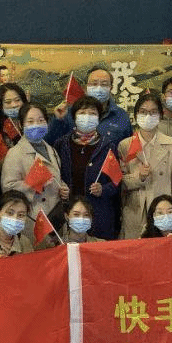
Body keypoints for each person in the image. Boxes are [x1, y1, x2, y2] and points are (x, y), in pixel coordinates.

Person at [53, 96, 121, 240]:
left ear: (99, 118)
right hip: (69, 215)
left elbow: (117, 182)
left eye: (92, 113)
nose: (87, 117)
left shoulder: (108, 146)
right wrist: (60, 187)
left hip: (100, 216)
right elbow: (53, 174)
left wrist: (103, 189)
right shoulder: (62, 144)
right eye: (82, 113)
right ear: (74, 117)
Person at [119, 90, 172, 239]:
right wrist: (139, 177)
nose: (148, 116)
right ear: (136, 115)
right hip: (135, 212)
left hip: (163, 214)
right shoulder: (125, 145)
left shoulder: (171, 144)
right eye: (143, 112)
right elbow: (121, 183)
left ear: (160, 115)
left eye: (153, 112)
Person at [1, 102, 69, 237]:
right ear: (21, 125)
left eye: (41, 120)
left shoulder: (52, 150)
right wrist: (35, 184)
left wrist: (63, 188)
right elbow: (8, 188)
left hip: (56, 216)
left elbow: (56, 177)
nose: (36, 125)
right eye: (30, 121)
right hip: (33, 217)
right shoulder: (15, 153)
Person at [47, 66, 131, 148]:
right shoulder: (68, 113)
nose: (99, 88)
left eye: (104, 84)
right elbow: (49, 143)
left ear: (111, 88)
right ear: (86, 87)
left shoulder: (121, 116)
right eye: (94, 84)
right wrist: (58, 120)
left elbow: (128, 148)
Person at [37, 196, 103, 247]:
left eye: (86, 215)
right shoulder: (55, 246)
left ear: (91, 218)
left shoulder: (100, 244)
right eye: (76, 214)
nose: (81, 219)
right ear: (67, 216)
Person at [0, 82, 28, 149]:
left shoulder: (32, 119)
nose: (14, 105)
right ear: (0, 105)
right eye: (8, 102)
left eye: (17, 100)